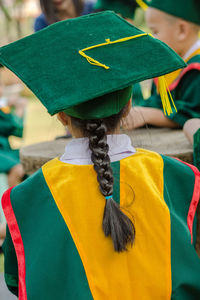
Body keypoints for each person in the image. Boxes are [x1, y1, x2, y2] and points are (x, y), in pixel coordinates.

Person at [0, 11, 200, 299]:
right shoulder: (179, 179)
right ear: (130, 106)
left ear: (61, 117)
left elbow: (16, 281)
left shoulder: (23, 200)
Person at [123, 0, 200, 130]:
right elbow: (156, 102)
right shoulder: (168, 68)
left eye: (155, 31)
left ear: (181, 30)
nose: (152, 39)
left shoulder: (196, 70)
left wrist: (147, 115)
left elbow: (194, 114)